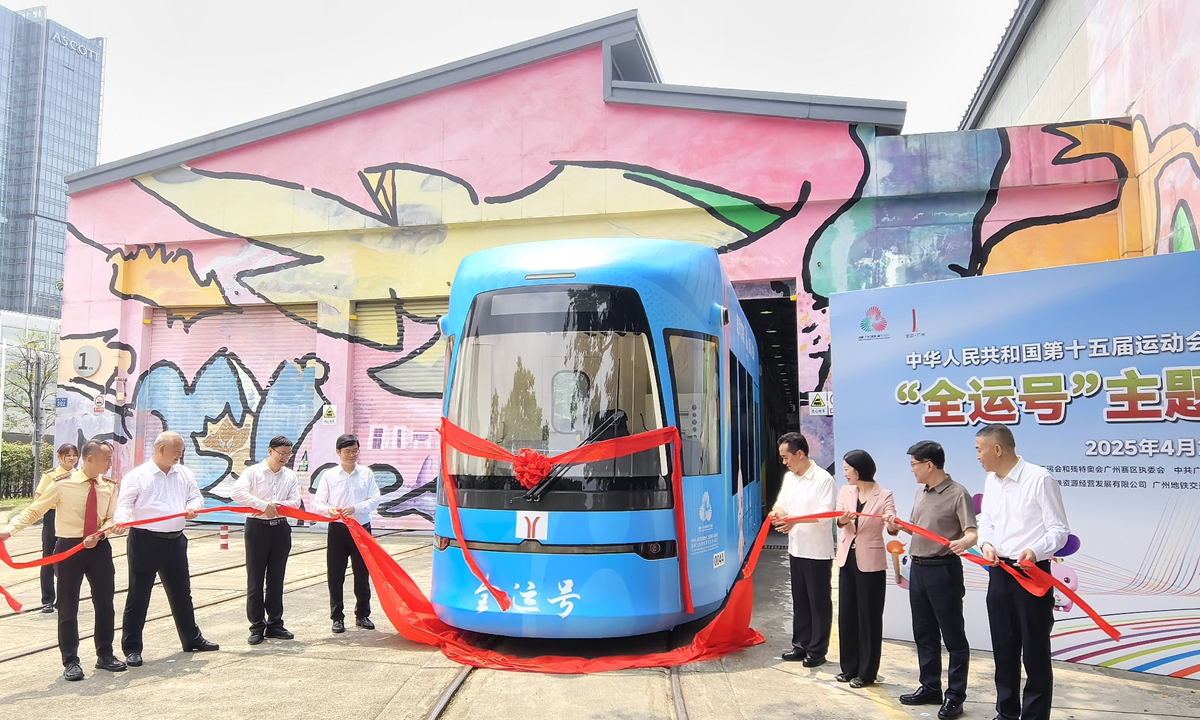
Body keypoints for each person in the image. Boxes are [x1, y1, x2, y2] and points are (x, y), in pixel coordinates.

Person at [0, 440, 124, 680]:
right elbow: (35, 510)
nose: (110, 463)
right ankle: (71, 661)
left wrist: (103, 532)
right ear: (89, 459)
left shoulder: (108, 486)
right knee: (67, 605)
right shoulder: (61, 485)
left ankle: (105, 655)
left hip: (98, 548)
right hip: (69, 548)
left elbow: (111, 517)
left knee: (105, 603)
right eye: (106, 459)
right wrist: (9, 530)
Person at [975, 424, 1069, 720]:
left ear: (997, 449)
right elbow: (985, 521)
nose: (977, 456)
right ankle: (1006, 712)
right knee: (1003, 649)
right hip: (999, 572)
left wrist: (1036, 551)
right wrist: (986, 543)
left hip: (1032, 574)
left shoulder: (1040, 479)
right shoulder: (992, 481)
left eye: (979, 450)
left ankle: (1034, 715)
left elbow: (1059, 530)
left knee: (1035, 651)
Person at [886, 441, 977, 720]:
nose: (912, 470)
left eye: (914, 464)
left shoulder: (958, 493)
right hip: (919, 570)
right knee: (924, 633)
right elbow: (917, 531)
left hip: (944, 570)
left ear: (929, 465)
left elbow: (972, 532)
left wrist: (963, 542)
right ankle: (930, 687)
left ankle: (955, 696)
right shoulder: (921, 492)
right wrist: (895, 526)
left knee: (953, 637)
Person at [114, 430, 219, 666]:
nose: (179, 456)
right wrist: (121, 521)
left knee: (182, 592)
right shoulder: (137, 476)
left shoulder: (184, 473)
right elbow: (125, 505)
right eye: (176, 452)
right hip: (145, 541)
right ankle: (132, 648)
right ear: (161, 450)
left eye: (181, 452)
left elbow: (196, 497)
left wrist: (193, 507)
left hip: (176, 540)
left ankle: (191, 638)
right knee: (139, 595)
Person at [769, 432, 835, 668]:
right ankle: (800, 645)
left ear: (800, 453)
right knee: (800, 600)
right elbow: (782, 504)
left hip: (817, 551)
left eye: (786, 457)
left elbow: (825, 516)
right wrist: (776, 513)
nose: (784, 462)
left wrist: (794, 521)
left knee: (818, 602)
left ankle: (817, 651)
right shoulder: (790, 478)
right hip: (796, 548)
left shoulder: (823, 479)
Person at [231, 436, 302, 645]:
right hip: (257, 529)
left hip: (280, 529)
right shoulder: (253, 472)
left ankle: (275, 624)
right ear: (270, 451)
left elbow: (295, 501)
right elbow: (237, 493)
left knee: (276, 578)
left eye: (288, 454)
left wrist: (275, 505)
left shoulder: (289, 475)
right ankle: (256, 626)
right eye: (282, 454)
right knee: (255, 579)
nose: (285, 458)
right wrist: (262, 505)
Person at [834, 449, 895, 688]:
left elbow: (892, 525)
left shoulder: (884, 495)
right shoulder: (846, 491)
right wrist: (844, 519)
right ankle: (848, 668)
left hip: (871, 562)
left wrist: (891, 524)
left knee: (868, 617)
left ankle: (867, 672)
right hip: (846, 558)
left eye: (847, 469)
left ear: (858, 471)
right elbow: (838, 519)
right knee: (847, 614)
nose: (845, 474)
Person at [314, 434, 381, 633]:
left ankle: (363, 614)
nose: (352, 455)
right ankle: (337, 617)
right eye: (347, 452)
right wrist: (329, 510)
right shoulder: (329, 475)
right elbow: (317, 502)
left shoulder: (366, 473)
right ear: (338, 453)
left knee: (362, 574)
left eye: (355, 451)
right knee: (336, 575)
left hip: (361, 528)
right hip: (338, 530)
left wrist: (357, 508)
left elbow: (375, 498)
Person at [33, 443, 80, 613]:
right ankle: (47, 599)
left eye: (74, 455)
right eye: (67, 455)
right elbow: (38, 499)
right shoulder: (50, 476)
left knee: (70, 560)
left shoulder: (80, 475)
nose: (71, 458)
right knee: (48, 557)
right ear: (59, 457)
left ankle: (65, 598)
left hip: (72, 518)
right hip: (52, 517)